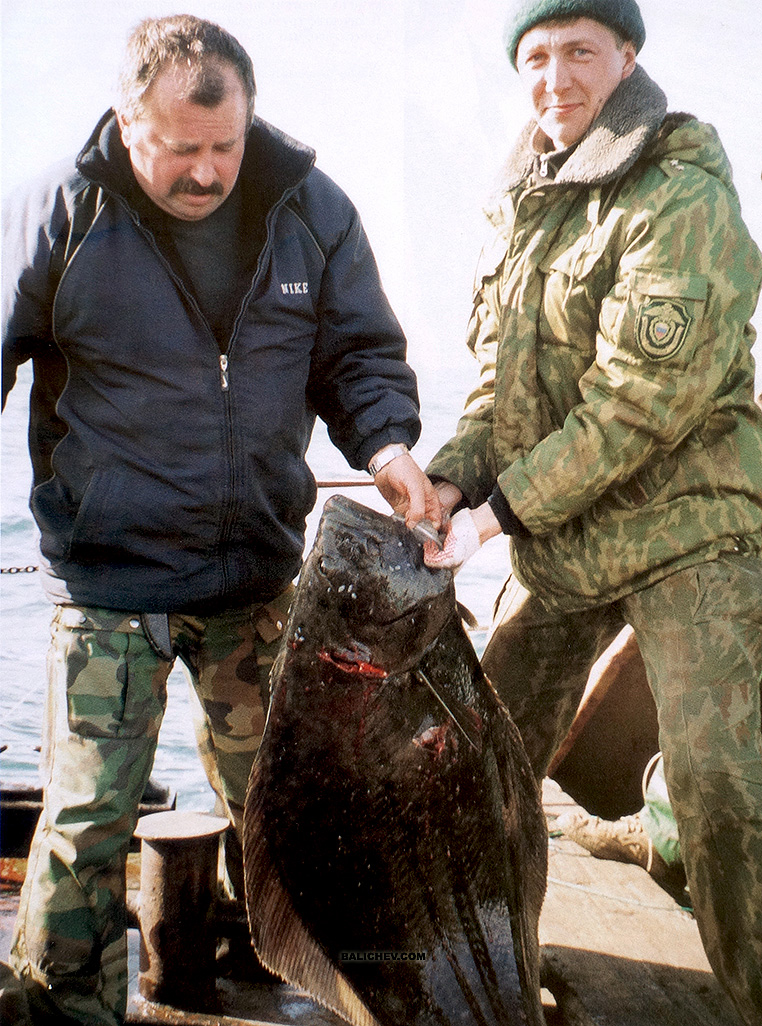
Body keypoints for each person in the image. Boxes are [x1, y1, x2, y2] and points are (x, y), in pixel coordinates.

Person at [1, 15, 440, 1025]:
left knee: (283, 811)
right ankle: (66, 1009)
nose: (206, 172)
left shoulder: (311, 209)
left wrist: (387, 448)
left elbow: (359, 355)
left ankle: (303, 984)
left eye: (224, 146)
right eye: (179, 149)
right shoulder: (58, 211)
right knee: (86, 820)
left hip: (255, 583)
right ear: (127, 123)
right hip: (107, 584)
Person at [402, 0, 762, 1022]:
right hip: (567, 538)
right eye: (536, 56)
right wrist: (447, 485)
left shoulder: (682, 190)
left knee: (725, 792)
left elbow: (637, 402)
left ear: (627, 58)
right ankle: (479, 981)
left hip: (692, 530)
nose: (555, 77)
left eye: (580, 52)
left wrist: (492, 517)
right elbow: (500, 397)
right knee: (471, 764)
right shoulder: (523, 199)